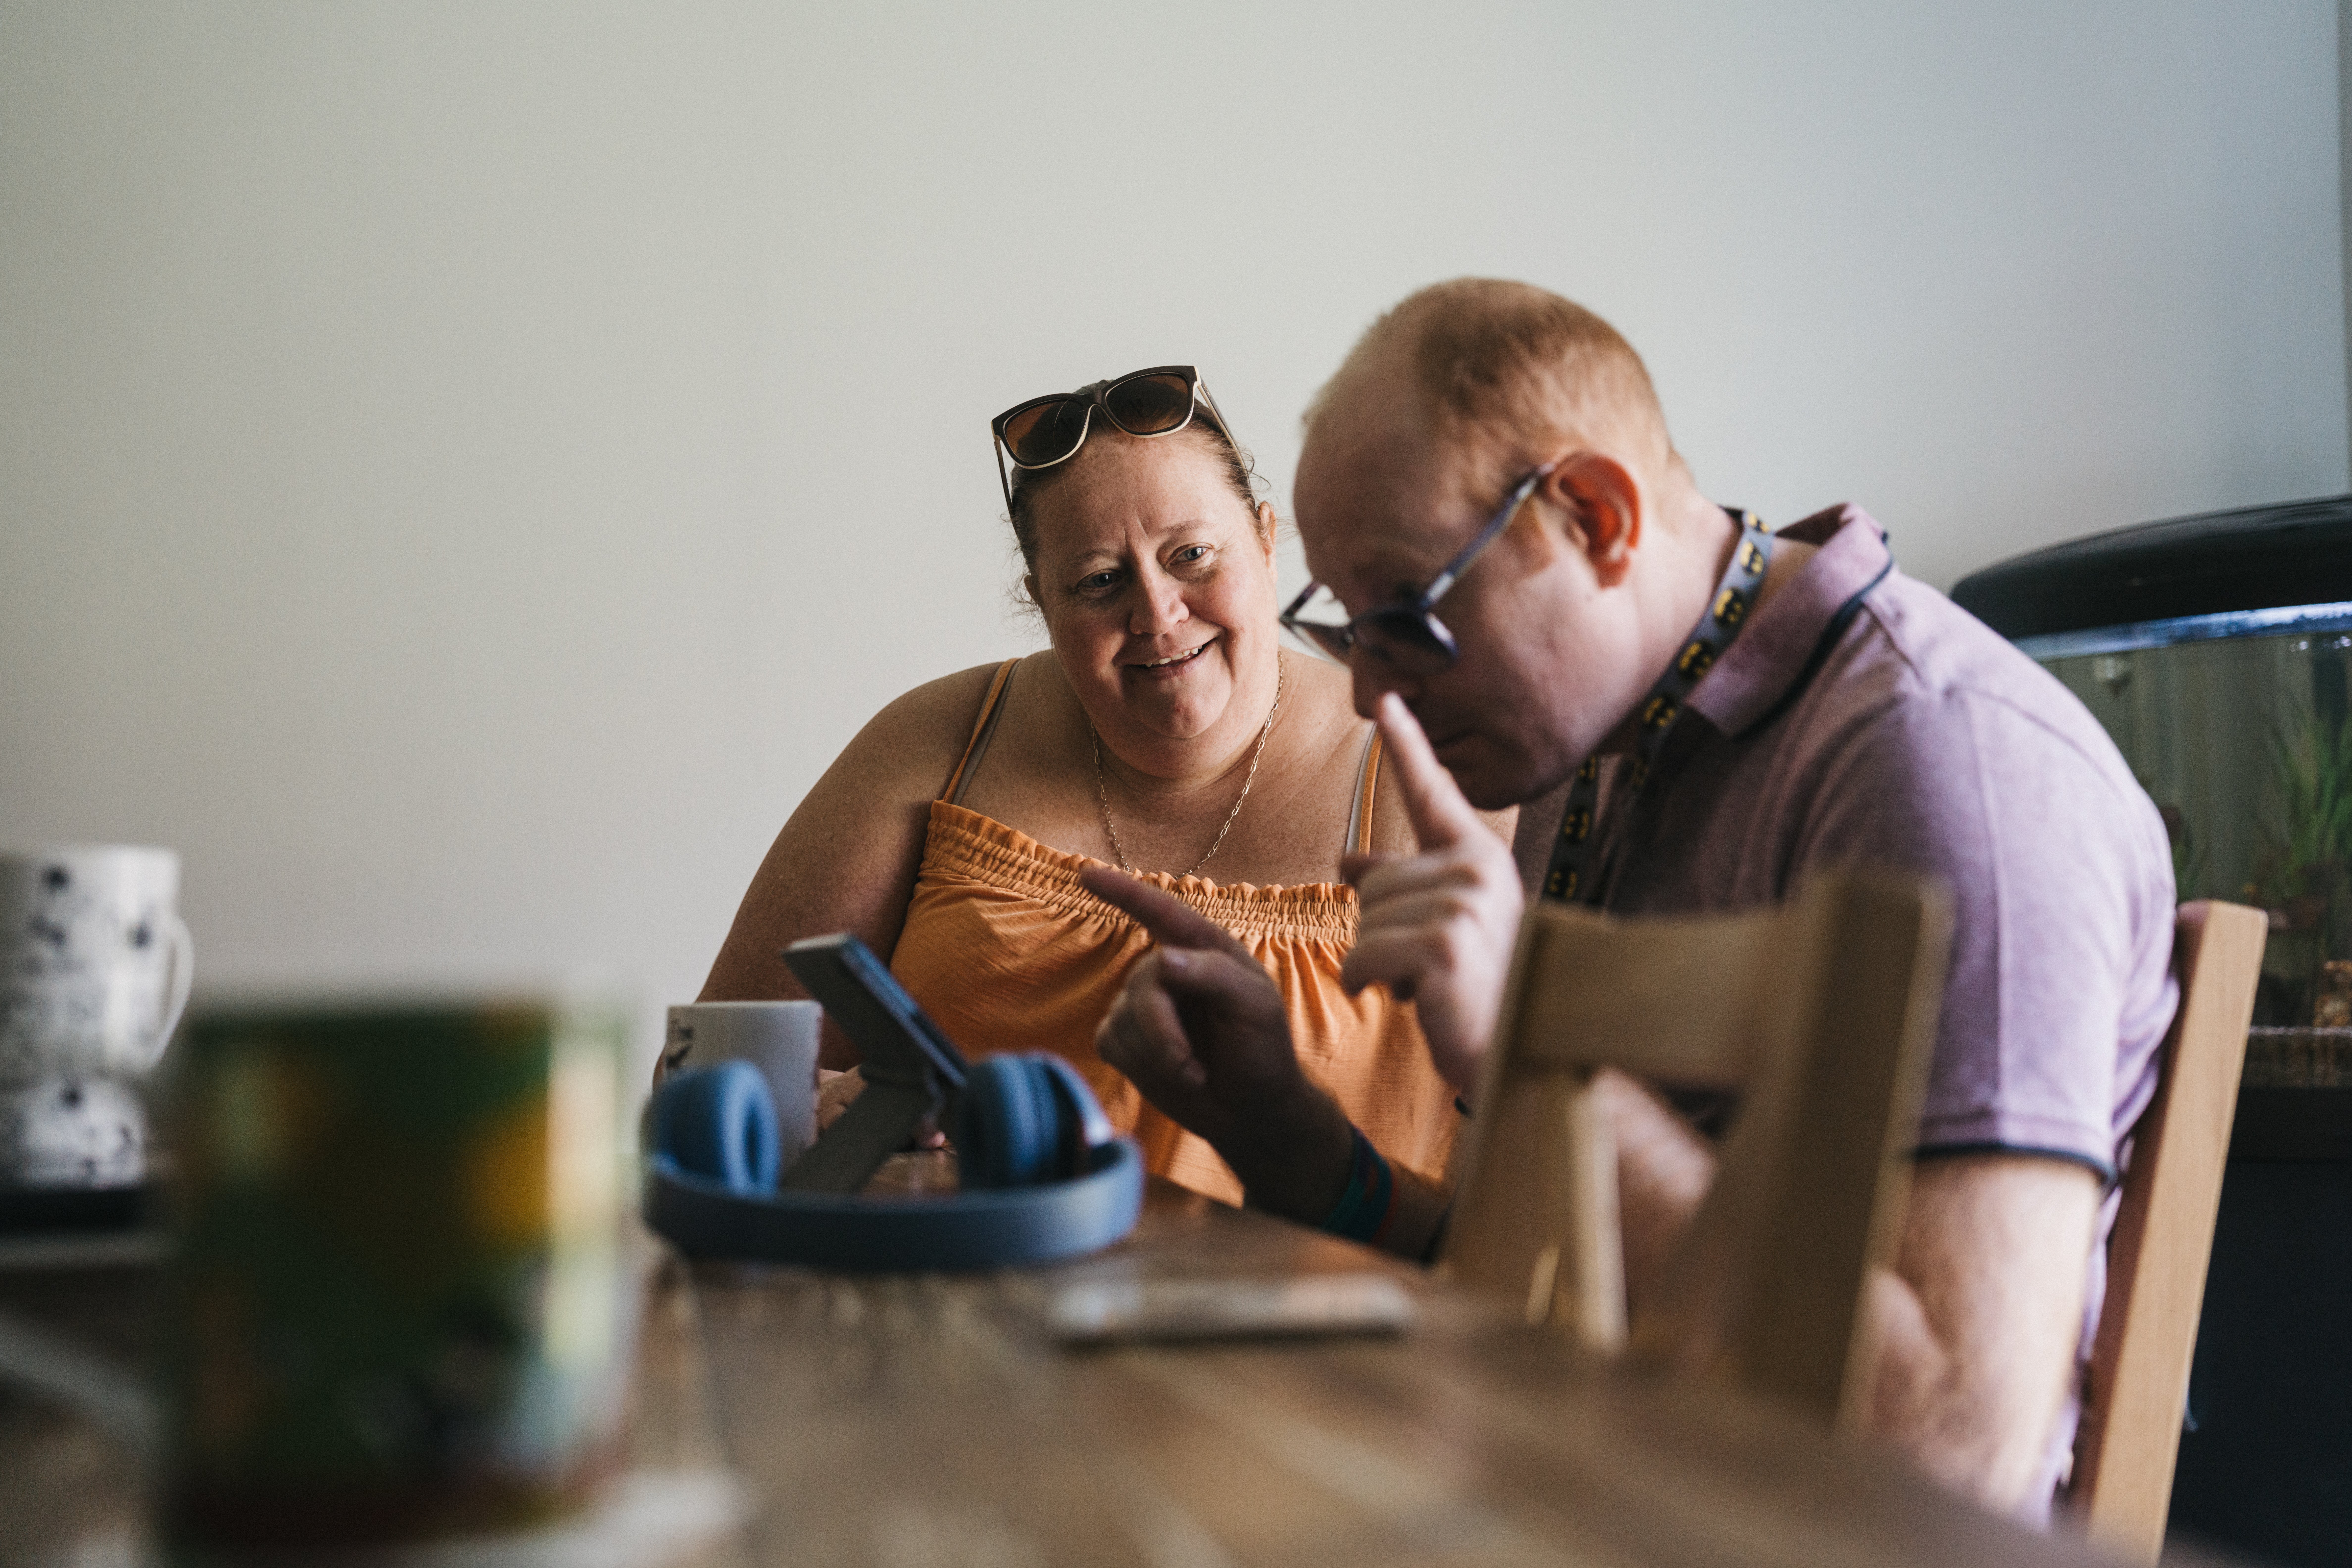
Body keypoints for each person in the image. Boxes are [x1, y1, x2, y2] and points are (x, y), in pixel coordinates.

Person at [1082, 282, 2177, 1521]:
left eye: (1407, 620)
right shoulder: (1595, 751)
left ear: (1596, 518)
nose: (1373, 698)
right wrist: (1287, 1134)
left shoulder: (1944, 765)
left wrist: (1538, 1055)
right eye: (1348, 630)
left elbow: (1949, 1455)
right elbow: (1537, 1296)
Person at [700, 364, 1509, 1204]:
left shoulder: (1436, 771)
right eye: (1098, 580)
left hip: (1310, 1287)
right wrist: (822, 1105)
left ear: (1268, 541)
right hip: (952, 1278)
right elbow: (705, 1069)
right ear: (1041, 602)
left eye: (1192, 555)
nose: (1157, 614)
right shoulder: (937, 742)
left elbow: (1536, 1150)